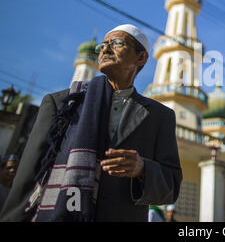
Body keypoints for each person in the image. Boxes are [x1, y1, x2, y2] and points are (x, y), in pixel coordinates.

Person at [0, 24, 183, 222]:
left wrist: (143, 169)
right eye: (102, 45)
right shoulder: (62, 104)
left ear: (141, 57)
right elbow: (28, 177)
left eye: (117, 43)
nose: (105, 49)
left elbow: (170, 186)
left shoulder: (159, 116)